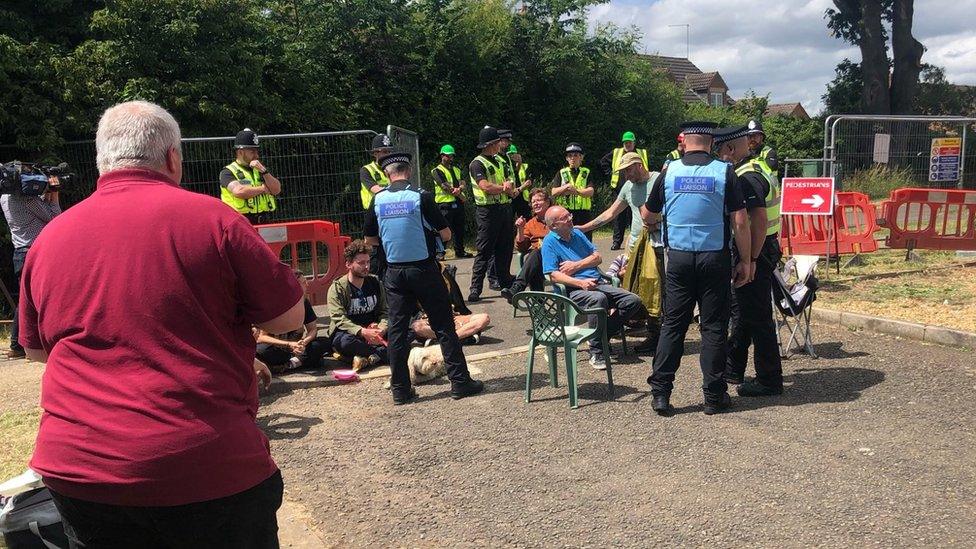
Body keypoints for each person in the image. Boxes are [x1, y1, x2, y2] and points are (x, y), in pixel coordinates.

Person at [17, 101, 306, 547]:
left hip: (80, 470)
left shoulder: (49, 239)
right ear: (172, 158)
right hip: (203, 466)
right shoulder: (216, 220)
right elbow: (287, 317)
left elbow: (37, 351)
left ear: (101, 161)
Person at [641, 121, 753, 417]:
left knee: (673, 324)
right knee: (713, 327)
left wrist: (653, 221)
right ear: (711, 141)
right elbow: (740, 222)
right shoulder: (724, 171)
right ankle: (714, 397)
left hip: (678, 258)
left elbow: (648, 213)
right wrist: (746, 260)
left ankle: (661, 394)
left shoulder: (668, 173)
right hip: (713, 257)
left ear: (685, 141)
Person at [363, 150, 484, 405]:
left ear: (387, 173)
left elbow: (370, 240)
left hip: (394, 272)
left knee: (397, 330)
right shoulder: (421, 197)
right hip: (424, 269)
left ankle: (400, 390)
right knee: (444, 326)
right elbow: (447, 234)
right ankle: (460, 382)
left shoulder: (378, 200)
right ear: (408, 171)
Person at [716, 126, 784, 397]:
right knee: (742, 308)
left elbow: (757, 219)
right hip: (766, 246)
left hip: (758, 249)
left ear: (730, 150)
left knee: (757, 315)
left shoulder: (746, 177)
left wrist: (750, 259)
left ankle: (769, 379)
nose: (718, 157)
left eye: (719, 151)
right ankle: (734, 367)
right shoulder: (758, 166)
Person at [576, 152, 663, 353]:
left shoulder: (659, 180)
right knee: (634, 290)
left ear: (639, 165)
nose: (626, 175)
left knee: (657, 291)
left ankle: (656, 335)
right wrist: (585, 227)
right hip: (634, 247)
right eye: (623, 171)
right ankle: (638, 328)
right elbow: (611, 213)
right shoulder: (628, 187)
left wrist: (657, 223)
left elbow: (675, 209)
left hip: (657, 244)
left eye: (628, 170)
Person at [541, 205, 646, 369]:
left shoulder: (577, 234)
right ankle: (596, 352)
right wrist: (580, 282)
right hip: (572, 290)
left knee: (632, 300)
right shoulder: (549, 242)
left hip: (596, 283)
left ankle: (601, 336)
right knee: (598, 299)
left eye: (569, 215)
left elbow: (597, 258)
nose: (570, 219)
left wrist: (576, 266)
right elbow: (553, 275)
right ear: (554, 225)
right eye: (565, 218)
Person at [1, 173, 61, 359]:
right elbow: (55, 218)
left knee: (25, 298)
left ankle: (17, 344)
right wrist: (54, 195)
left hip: (20, 252)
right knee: (46, 294)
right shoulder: (28, 200)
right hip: (37, 250)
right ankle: (35, 342)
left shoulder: (4, 198)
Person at [467, 126, 515, 302]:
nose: (499, 145)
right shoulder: (477, 163)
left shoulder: (501, 161)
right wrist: (504, 188)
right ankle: (475, 288)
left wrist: (508, 189)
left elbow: (509, 182)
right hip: (487, 211)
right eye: (496, 142)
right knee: (484, 250)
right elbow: (485, 186)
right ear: (489, 144)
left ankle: (505, 282)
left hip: (504, 208)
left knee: (505, 247)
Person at [326, 240, 390, 372]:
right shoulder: (337, 288)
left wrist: (382, 327)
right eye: (361, 263)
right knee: (344, 342)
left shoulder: (375, 282)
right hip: (351, 334)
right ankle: (383, 354)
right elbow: (339, 318)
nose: (366, 266)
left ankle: (369, 356)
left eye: (368, 262)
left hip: (374, 331)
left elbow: (385, 311)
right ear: (348, 264)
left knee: (406, 329)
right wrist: (363, 332)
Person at [255, 267, 332, 373]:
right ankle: (301, 362)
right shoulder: (273, 304)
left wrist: (304, 342)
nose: (307, 285)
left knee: (324, 342)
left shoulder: (304, 302)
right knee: (260, 351)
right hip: (277, 347)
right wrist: (288, 345)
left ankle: (289, 364)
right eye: (304, 283)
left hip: (297, 348)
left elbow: (313, 329)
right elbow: (261, 337)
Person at [219, 128, 281, 225]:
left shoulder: (261, 170)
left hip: (265, 221)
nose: (257, 156)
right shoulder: (227, 172)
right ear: (240, 152)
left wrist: (264, 171)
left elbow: (276, 190)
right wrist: (263, 189)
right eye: (252, 152)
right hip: (240, 223)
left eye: (257, 151)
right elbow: (238, 191)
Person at [600, 131, 648, 250]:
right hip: (619, 189)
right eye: (625, 142)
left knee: (636, 215)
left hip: (637, 188)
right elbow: (602, 162)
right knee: (618, 217)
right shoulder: (616, 152)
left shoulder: (641, 153)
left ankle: (636, 239)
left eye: (629, 142)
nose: (627, 144)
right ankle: (617, 242)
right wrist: (610, 174)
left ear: (634, 142)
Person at [501, 188, 551, 301]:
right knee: (534, 257)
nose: (536, 204)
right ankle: (539, 306)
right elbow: (521, 247)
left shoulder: (557, 217)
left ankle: (517, 288)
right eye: (533, 202)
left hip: (557, 258)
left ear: (547, 202)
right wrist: (521, 229)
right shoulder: (530, 224)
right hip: (539, 263)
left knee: (535, 253)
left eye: (539, 200)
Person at [361, 133, 394, 276]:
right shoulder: (366, 170)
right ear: (375, 153)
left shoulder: (393, 169)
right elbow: (375, 190)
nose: (387, 155)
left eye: (389, 151)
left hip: (391, 215)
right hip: (373, 217)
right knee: (375, 257)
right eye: (384, 152)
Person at [430, 144, 470, 259]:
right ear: (442, 155)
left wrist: (460, 189)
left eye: (452, 156)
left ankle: (460, 251)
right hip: (444, 204)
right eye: (448, 156)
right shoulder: (436, 170)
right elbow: (444, 186)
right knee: (443, 229)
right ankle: (440, 252)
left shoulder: (456, 169)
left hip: (458, 203)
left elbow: (463, 183)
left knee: (459, 229)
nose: (450, 158)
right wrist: (458, 193)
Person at [551, 143, 595, 240]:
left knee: (585, 241)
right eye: (570, 156)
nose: (572, 158)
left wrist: (576, 192)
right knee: (567, 240)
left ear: (581, 157)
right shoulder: (561, 173)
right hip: (566, 213)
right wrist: (565, 188)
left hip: (583, 213)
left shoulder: (586, 172)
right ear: (566, 158)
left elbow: (590, 191)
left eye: (575, 155)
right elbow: (553, 191)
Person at [507, 143, 533, 220]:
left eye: (513, 154)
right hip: (510, 198)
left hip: (523, 198)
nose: (512, 156)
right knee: (509, 221)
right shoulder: (505, 166)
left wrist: (519, 190)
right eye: (510, 154)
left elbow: (528, 182)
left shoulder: (525, 166)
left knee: (526, 220)